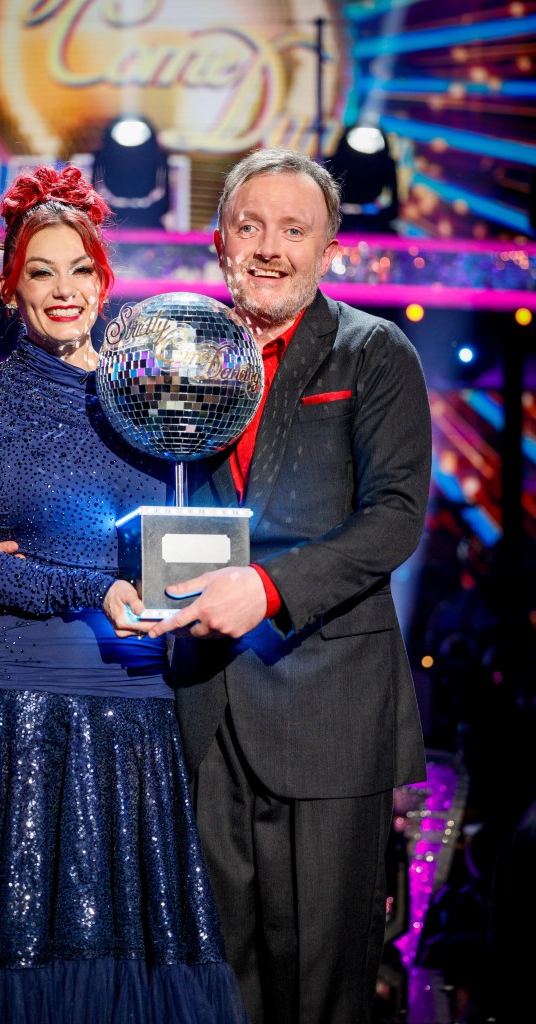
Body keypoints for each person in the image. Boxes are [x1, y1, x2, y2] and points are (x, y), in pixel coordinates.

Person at [0, 165, 247, 1024]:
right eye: (41, 271)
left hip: (140, 704)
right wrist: (93, 584)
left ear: (105, 280)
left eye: (79, 269)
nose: (63, 289)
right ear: (11, 286)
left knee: (126, 964)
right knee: (14, 952)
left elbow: (182, 539)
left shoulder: (149, 399)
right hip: (21, 705)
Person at [146, 148, 433, 1024]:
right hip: (200, 707)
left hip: (326, 711)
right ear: (220, 240)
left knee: (320, 988)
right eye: (250, 226)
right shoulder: (175, 352)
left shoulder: (372, 352)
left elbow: (394, 518)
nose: (269, 247)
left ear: (327, 246)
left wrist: (267, 589)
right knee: (211, 979)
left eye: (293, 229)